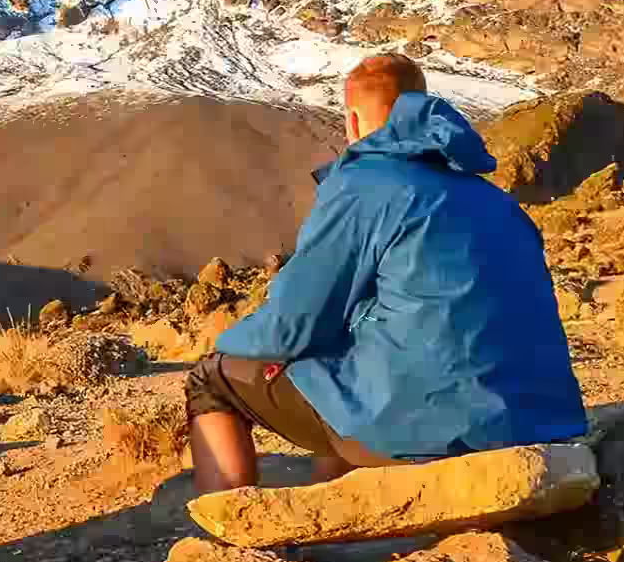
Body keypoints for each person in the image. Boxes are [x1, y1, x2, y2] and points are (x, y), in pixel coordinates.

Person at [187, 53, 588, 494]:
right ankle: (344, 502)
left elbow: (292, 325)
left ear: (353, 121)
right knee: (342, 358)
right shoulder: (496, 200)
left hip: (426, 430)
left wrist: (223, 346)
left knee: (211, 379)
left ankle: (229, 538)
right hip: (540, 423)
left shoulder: (365, 186)